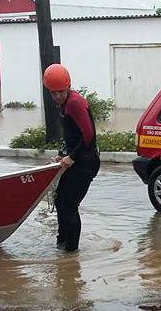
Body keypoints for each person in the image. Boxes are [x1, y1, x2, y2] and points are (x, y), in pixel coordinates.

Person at [43, 64, 100, 252]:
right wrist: (62, 154)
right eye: (53, 93)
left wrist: (72, 157)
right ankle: (61, 244)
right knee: (60, 201)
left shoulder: (75, 103)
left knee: (69, 205)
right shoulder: (64, 104)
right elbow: (71, 136)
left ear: (68, 87)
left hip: (86, 163)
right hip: (76, 160)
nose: (58, 96)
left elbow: (88, 135)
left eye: (61, 91)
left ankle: (71, 254)